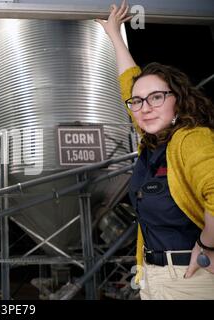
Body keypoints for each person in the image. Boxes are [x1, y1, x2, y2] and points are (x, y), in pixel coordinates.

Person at [96, 0, 214, 299]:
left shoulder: (191, 138)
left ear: (178, 101)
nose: (145, 108)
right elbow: (128, 84)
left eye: (157, 97)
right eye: (138, 102)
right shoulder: (150, 142)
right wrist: (114, 35)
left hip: (193, 277)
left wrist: (209, 244)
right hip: (152, 276)